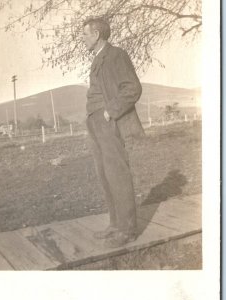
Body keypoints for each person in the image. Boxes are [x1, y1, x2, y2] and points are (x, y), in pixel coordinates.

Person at [82, 17, 145, 248]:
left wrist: (110, 111)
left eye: (85, 34)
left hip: (109, 120)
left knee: (117, 173)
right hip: (94, 121)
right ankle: (116, 224)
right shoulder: (98, 58)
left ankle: (128, 230)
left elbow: (133, 88)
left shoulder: (116, 55)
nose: (83, 39)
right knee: (105, 174)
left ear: (97, 34)